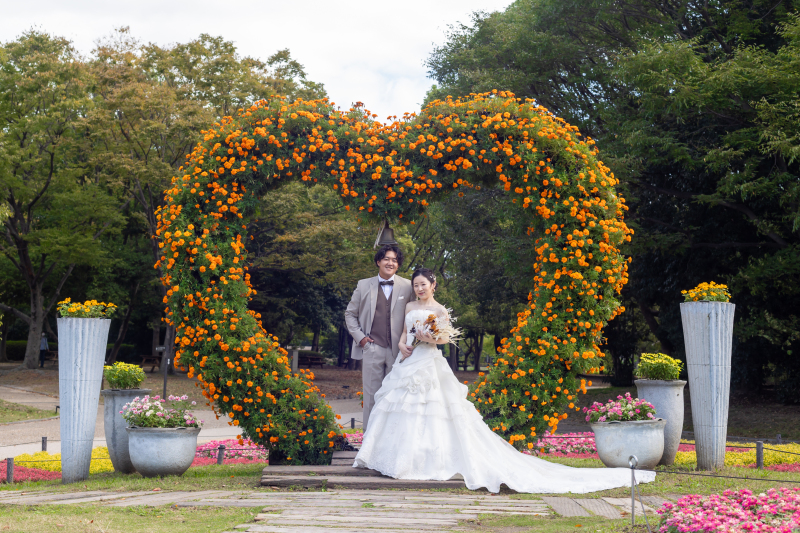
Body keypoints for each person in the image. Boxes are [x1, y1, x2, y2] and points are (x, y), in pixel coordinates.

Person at [353, 267, 657, 494]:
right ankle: (396, 458)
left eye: (423, 284)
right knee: (400, 408)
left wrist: (428, 337)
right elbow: (404, 334)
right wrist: (405, 344)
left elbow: (443, 339)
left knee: (433, 410)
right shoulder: (409, 307)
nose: (419, 289)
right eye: (416, 285)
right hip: (408, 362)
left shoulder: (440, 310)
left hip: (429, 362)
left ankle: (427, 459)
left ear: (433, 285)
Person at [344, 244, 415, 431]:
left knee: (396, 397)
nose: (390, 263)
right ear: (378, 261)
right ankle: (369, 441)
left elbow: (415, 314)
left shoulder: (408, 286)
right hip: (372, 348)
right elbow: (350, 314)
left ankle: (391, 440)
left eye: (394, 260)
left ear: (398, 264)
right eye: (386, 259)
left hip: (398, 351)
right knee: (371, 398)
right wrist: (361, 339)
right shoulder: (363, 285)